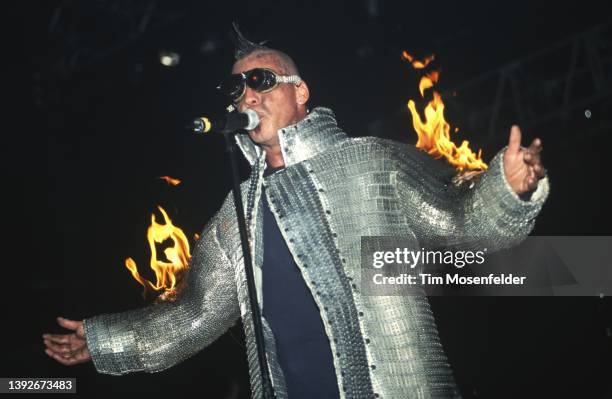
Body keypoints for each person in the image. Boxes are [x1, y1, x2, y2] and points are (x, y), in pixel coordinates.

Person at [43, 28, 549, 398]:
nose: (248, 95)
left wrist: (508, 189)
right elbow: (192, 316)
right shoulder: (234, 214)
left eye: (261, 79)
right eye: (236, 88)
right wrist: (106, 341)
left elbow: (462, 225)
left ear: (300, 91)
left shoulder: (370, 161)